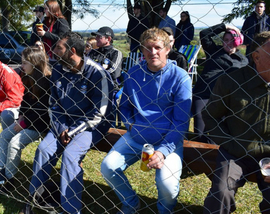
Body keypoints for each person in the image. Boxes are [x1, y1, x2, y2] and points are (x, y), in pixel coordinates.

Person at [101, 27, 192, 214]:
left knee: (166, 184)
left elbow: (181, 122)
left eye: (158, 47)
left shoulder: (180, 77)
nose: (153, 52)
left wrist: (164, 152)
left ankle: (165, 210)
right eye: (148, 48)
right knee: (108, 167)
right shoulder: (133, 74)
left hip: (167, 140)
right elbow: (124, 107)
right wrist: (131, 125)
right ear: (142, 50)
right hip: (136, 136)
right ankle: (131, 204)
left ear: (167, 48)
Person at [27, 32, 113, 214]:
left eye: (59, 47)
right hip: (63, 124)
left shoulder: (96, 73)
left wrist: (72, 132)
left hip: (91, 126)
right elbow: (54, 104)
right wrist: (61, 128)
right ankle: (34, 199)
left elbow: (99, 113)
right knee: (43, 150)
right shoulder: (58, 69)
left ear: (72, 51)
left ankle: (70, 210)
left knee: (70, 156)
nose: (54, 50)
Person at [202, 31, 270, 214]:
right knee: (221, 192)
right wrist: (230, 143)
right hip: (235, 152)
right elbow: (210, 116)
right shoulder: (231, 81)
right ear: (256, 56)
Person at [0, 47, 51, 190]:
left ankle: (9, 179)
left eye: (24, 63)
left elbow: (43, 110)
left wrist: (24, 123)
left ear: (34, 63)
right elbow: (25, 101)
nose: (21, 66)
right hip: (26, 120)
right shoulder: (27, 77)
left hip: (40, 125)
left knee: (15, 143)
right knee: (4, 136)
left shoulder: (46, 81)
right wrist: (21, 116)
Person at [192, 23, 248, 142]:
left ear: (238, 41)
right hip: (205, 93)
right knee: (200, 127)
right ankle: (199, 151)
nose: (228, 42)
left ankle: (213, 152)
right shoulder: (214, 51)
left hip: (224, 98)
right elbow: (204, 34)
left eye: (232, 40)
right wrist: (225, 27)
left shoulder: (243, 60)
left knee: (218, 132)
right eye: (226, 40)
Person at [89, 26, 123, 91]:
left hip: (109, 87)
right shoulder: (93, 52)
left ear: (108, 39)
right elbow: (85, 68)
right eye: (96, 36)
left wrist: (94, 75)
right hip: (90, 86)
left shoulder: (116, 53)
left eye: (99, 37)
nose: (96, 39)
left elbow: (113, 73)